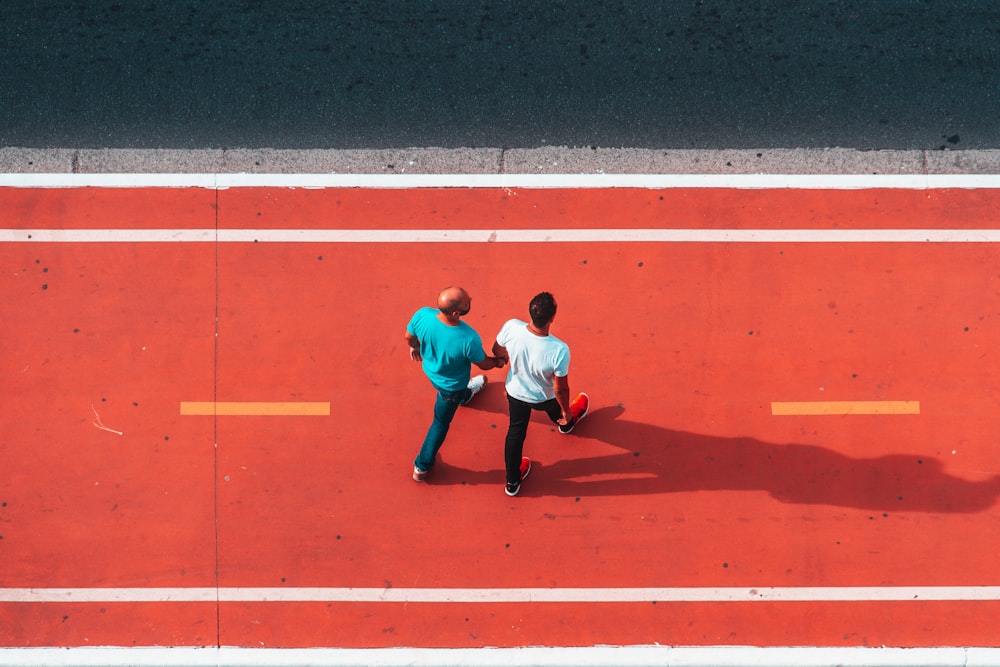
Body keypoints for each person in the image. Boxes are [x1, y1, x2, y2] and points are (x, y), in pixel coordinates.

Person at [492, 292, 589, 496]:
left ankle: (512, 482)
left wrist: (502, 360)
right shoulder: (559, 350)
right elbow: (560, 389)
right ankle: (567, 424)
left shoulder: (511, 326)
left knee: (515, 433)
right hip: (543, 397)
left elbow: (497, 349)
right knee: (559, 412)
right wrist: (567, 412)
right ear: (552, 318)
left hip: (515, 394)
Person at [406, 286, 506, 482]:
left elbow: (409, 337)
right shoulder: (468, 338)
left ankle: (465, 396)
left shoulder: (422, 314)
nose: (471, 299)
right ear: (455, 313)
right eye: (467, 301)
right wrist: (497, 362)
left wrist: (416, 347)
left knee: (456, 397)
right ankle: (422, 465)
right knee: (440, 423)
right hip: (451, 387)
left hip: (432, 373)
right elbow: (483, 364)